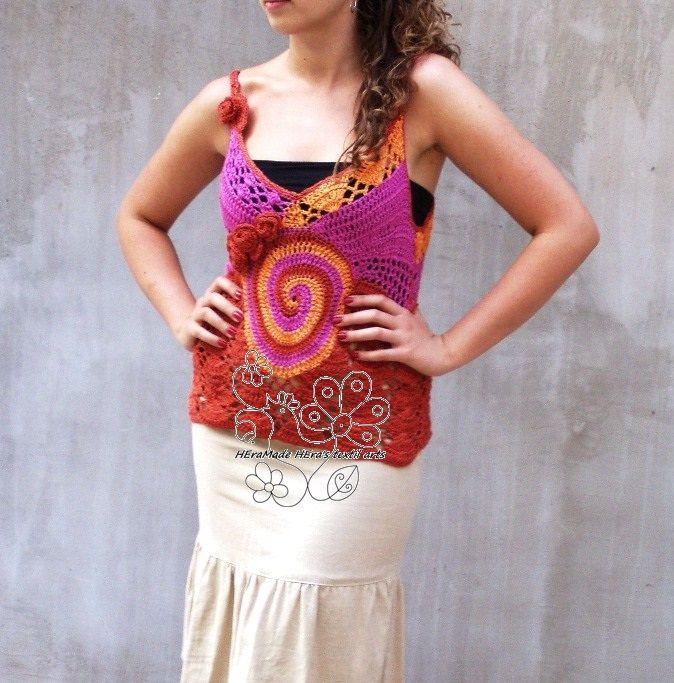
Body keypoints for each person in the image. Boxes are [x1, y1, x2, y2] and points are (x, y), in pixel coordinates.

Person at [116, 0, 600, 680]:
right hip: (235, 422)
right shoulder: (232, 102)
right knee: (243, 637)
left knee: (322, 629)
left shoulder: (423, 91)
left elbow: (566, 227)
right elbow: (140, 216)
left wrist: (448, 347)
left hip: (362, 427)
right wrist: (181, 313)